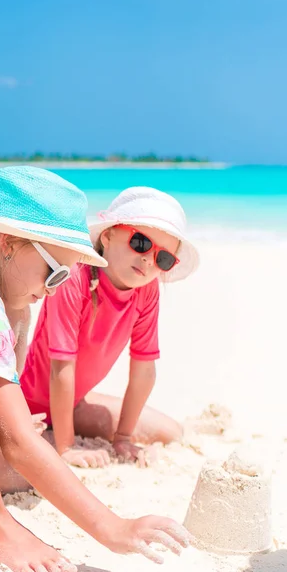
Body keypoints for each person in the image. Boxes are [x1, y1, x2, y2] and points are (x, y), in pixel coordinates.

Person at [0, 168, 191, 572]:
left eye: (66, 276)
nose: (55, 289)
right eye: (55, 271)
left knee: (15, 317)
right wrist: (114, 529)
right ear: (8, 244)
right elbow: (19, 443)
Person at [21, 187, 199, 469]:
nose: (148, 260)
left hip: (74, 403)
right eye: (140, 243)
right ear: (108, 235)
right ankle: (59, 436)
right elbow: (61, 368)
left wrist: (123, 438)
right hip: (27, 404)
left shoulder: (147, 290)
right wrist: (67, 447)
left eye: (163, 259)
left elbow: (144, 369)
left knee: (171, 432)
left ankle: (70, 429)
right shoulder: (75, 275)